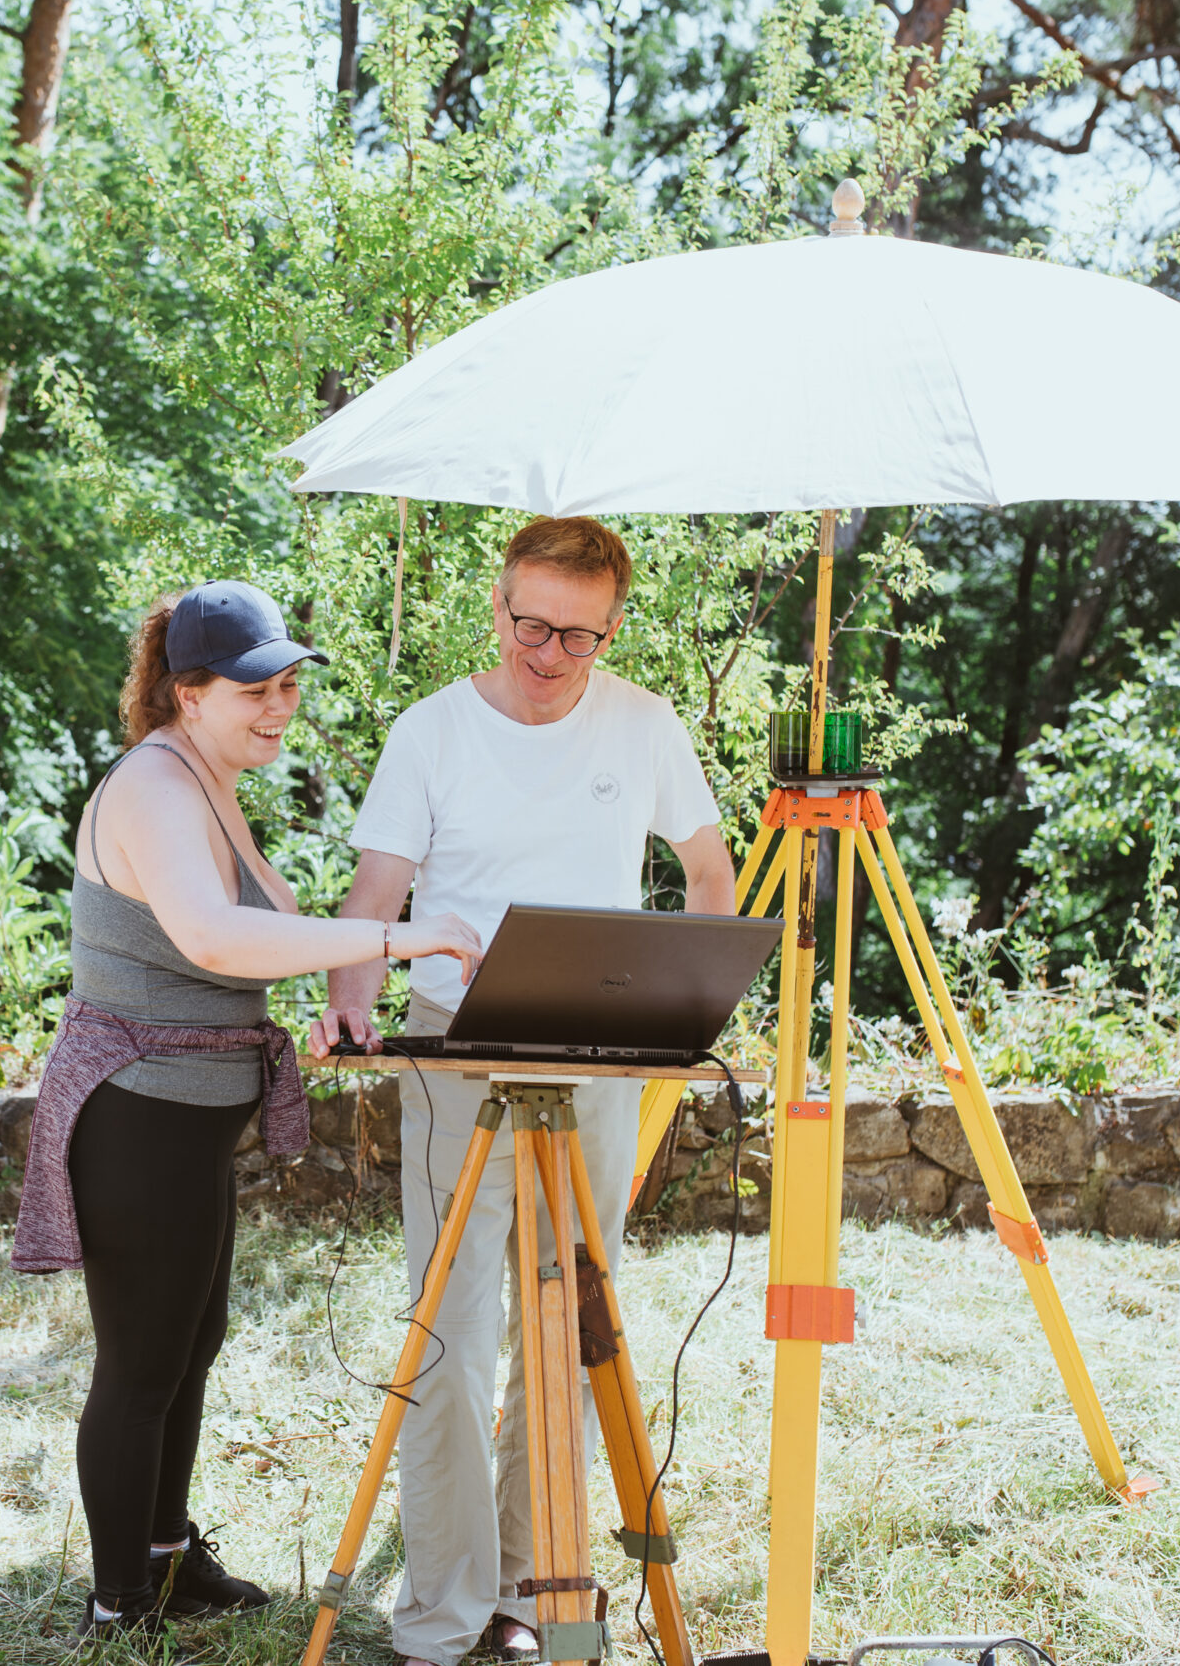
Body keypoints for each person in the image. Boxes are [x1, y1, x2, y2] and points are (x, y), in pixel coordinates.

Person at [12, 579, 486, 1643]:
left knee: (193, 1337)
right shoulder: (152, 787)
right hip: (136, 1109)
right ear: (185, 692)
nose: (279, 707)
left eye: (288, 688)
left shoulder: (205, 775)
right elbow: (215, 942)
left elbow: (265, 927)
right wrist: (398, 940)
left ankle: (167, 1559)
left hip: (189, 1110)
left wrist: (338, 1005)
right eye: (254, 689)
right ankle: (119, 1607)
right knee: (140, 1362)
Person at [307, 517, 736, 1666]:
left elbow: (706, 867)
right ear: (496, 609)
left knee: (566, 1323)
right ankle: (439, 1614)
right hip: (457, 1045)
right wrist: (355, 995)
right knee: (451, 1330)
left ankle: (532, 1590)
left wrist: (692, 998)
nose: (546, 652)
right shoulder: (431, 731)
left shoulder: (644, 724)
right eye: (528, 623)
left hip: (596, 1051)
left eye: (575, 636)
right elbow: (376, 889)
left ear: (611, 628)